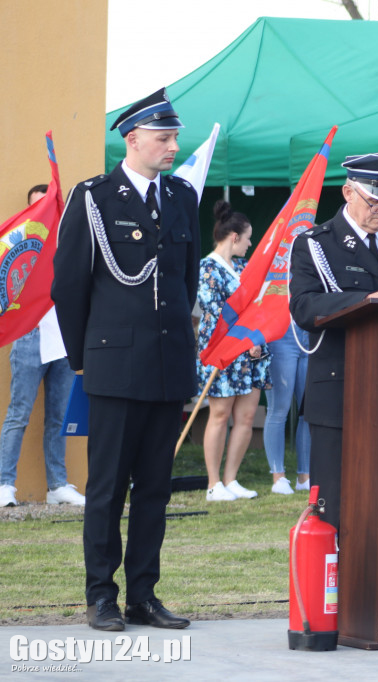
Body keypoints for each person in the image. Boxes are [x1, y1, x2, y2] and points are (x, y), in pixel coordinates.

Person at [51, 88, 198, 631]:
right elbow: (68, 285)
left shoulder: (181, 195)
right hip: (113, 364)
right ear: (132, 140)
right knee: (108, 489)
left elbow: (187, 281)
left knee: (155, 489)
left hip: (166, 363)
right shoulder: (94, 197)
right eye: (164, 138)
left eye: (175, 137)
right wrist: (83, 357)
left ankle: (143, 594)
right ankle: (101, 595)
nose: (172, 146)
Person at [289, 150, 378, 530]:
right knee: (334, 504)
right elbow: (305, 308)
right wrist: (366, 300)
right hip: (340, 387)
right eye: (376, 202)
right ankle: (334, 585)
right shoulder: (315, 244)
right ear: (348, 192)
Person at [0, 185, 84, 509]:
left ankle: (57, 485)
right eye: (39, 208)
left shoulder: (68, 243)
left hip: (62, 339)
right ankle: (5, 484)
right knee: (18, 414)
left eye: (50, 207)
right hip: (29, 337)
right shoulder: (22, 246)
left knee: (59, 417)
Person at [195, 201, 271, 501]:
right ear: (234, 236)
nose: (251, 244)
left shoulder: (244, 267)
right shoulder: (207, 267)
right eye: (249, 237)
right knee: (220, 413)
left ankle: (231, 479)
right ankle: (213, 483)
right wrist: (244, 341)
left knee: (247, 415)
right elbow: (214, 314)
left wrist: (255, 340)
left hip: (252, 350)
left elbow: (258, 307)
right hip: (224, 350)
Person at [263, 321, 311, 495]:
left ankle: (304, 476)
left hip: (310, 331)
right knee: (279, 409)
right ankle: (278, 476)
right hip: (280, 333)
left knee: (308, 411)